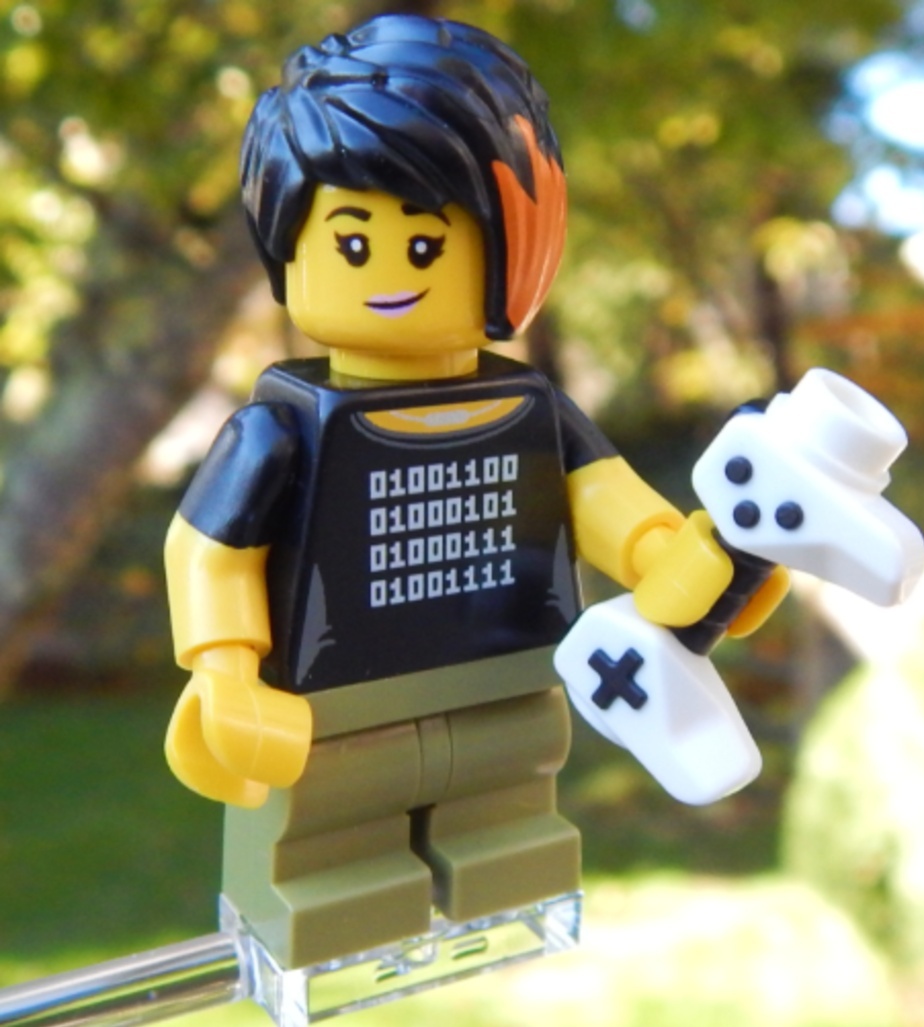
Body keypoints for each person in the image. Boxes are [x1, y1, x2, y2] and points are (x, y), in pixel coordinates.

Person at [164, 13, 774, 969]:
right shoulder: (282, 429)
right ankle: (330, 910)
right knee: (329, 834)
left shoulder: (529, 409)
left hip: (508, 676)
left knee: (507, 809)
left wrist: (676, 561)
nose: (392, 275)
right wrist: (224, 669)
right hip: (332, 701)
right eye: (353, 243)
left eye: (427, 246)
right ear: (290, 249)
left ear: (511, 245)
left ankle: (504, 876)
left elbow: (604, 497)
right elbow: (208, 549)